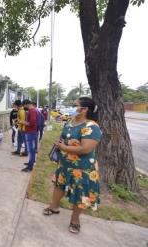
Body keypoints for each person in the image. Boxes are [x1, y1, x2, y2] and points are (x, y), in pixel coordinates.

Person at [43, 97, 102, 234]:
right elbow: (65, 138)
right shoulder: (70, 122)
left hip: (82, 168)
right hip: (64, 164)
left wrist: (63, 147)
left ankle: (75, 220)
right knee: (59, 185)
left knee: (81, 194)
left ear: (85, 109)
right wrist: (60, 144)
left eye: (75, 105)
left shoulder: (91, 127)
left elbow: (85, 149)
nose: (72, 107)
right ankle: (54, 207)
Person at [21, 100, 38, 172]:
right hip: (32, 132)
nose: (24, 108)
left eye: (24, 106)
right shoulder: (33, 110)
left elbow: (32, 123)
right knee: (32, 149)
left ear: (26, 104)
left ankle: (30, 167)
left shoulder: (32, 111)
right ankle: (31, 161)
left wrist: (23, 122)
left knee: (30, 150)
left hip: (30, 133)